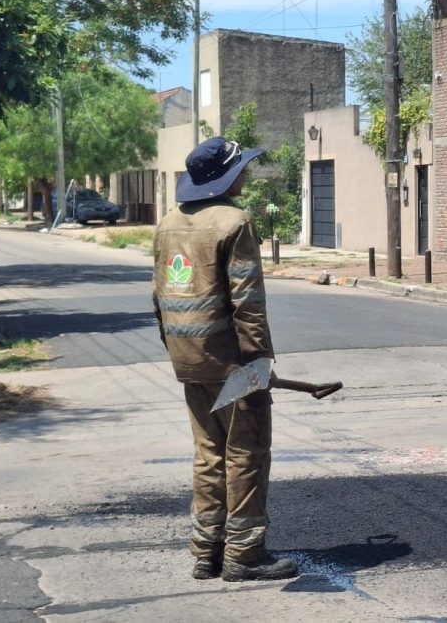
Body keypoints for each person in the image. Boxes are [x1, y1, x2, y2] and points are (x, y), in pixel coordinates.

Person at [152, 137, 298, 582]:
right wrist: (259, 362)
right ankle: (244, 554)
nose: (246, 175)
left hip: (189, 359)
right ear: (226, 177)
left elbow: (158, 299)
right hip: (233, 364)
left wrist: (180, 352)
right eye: (241, 169)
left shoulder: (167, 224)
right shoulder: (236, 222)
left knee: (209, 454)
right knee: (246, 454)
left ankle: (206, 551)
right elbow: (247, 304)